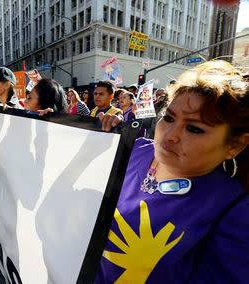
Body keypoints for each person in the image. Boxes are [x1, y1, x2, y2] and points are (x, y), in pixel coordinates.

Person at [95, 60, 248, 283]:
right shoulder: (130, 150)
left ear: (234, 146)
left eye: (194, 128)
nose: (171, 135)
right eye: (168, 118)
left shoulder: (233, 210)